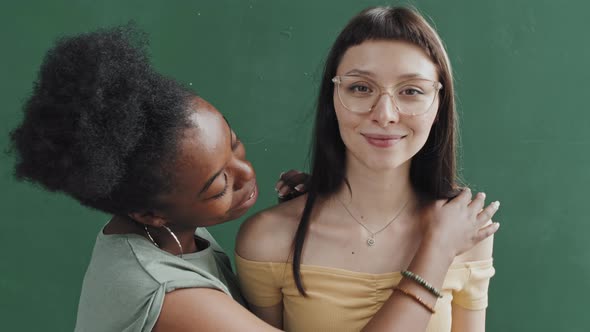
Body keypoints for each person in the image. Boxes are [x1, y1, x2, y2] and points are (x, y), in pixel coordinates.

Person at [10, 20, 497, 332]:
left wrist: (340, 195)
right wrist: (434, 252)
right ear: (150, 212)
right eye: (219, 185)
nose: (247, 176)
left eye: (234, 144)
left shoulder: (173, 232)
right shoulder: (165, 293)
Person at [236, 6, 500, 332]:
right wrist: (438, 250)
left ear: (438, 106)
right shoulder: (269, 238)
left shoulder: (466, 231)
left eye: (411, 91)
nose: (385, 114)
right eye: (361, 88)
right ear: (332, 98)